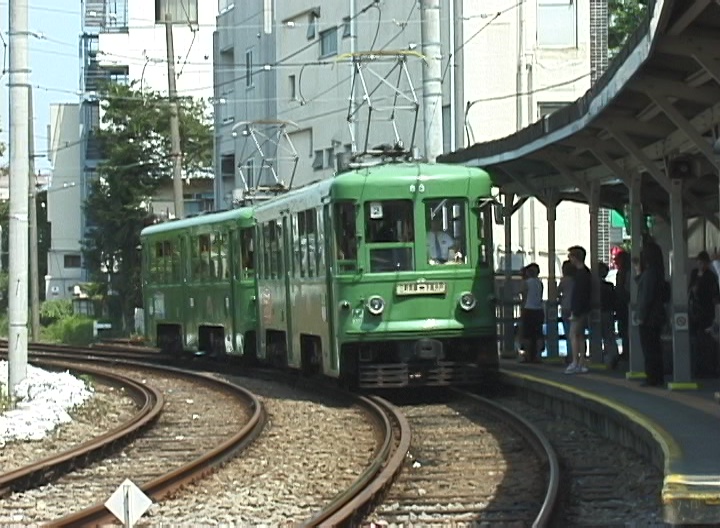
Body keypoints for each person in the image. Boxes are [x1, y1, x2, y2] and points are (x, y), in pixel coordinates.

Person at [636, 241, 667, 387]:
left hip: (648, 318)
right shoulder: (658, 272)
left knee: (649, 349)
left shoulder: (649, 274)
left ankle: (652, 377)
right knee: (655, 348)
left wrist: (640, 316)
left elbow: (645, 297)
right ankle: (657, 376)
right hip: (657, 316)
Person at [688, 250, 720, 377]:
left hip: (705, 312)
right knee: (697, 341)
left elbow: (715, 296)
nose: (701, 265)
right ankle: (699, 367)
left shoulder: (710, 277)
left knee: (703, 341)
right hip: (695, 311)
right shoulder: (695, 274)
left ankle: (705, 368)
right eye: (699, 263)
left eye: (703, 263)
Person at [565, 245, 591, 374]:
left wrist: (575, 311)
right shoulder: (586, 272)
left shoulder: (580, 274)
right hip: (584, 309)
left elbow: (579, 294)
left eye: (570, 256)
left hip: (578, 310)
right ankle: (582, 362)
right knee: (580, 336)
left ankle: (575, 361)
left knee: (573, 335)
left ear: (575, 257)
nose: (569, 259)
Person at [520, 263, 545, 363]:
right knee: (538, 333)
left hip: (528, 309)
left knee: (527, 334)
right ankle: (538, 355)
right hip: (539, 309)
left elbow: (524, 296)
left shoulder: (526, 283)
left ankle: (527, 355)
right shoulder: (540, 283)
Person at [611, 250, 631, 369]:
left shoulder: (623, 274)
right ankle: (626, 351)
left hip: (623, 305)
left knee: (624, 330)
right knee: (625, 330)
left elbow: (622, 290)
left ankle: (626, 352)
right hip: (623, 305)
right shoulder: (626, 272)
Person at [599, 262, 620, 365]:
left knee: (599, 335)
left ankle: (603, 356)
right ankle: (612, 355)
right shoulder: (610, 286)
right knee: (609, 335)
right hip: (609, 311)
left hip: (599, 311)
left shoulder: (595, 287)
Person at [558, 260, 575, 362]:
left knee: (568, 332)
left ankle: (570, 354)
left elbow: (557, 292)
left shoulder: (564, 280)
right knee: (577, 333)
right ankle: (577, 354)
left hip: (565, 307)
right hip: (575, 307)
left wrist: (561, 298)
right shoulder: (576, 280)